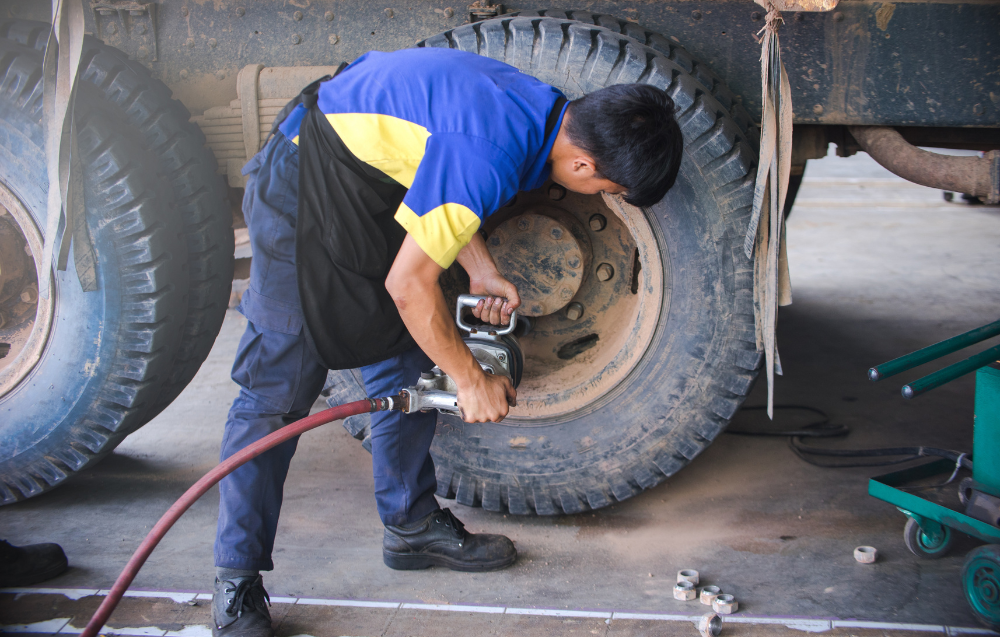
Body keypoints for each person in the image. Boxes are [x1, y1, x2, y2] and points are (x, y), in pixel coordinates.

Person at [212, 47, 682, 637]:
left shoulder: (539, 110)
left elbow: (434, 164)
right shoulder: (493, 153)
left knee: (407, 355)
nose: (598, 196)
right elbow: (410, 284)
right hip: (305, 181)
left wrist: (480, 267)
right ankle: (237, 579)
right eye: (609, 189)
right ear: (585, 167)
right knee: (278, 386)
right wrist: (469, 379)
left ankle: (409, 526)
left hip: (369, 182)